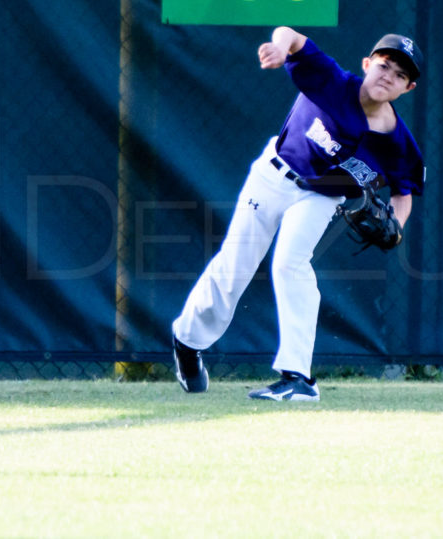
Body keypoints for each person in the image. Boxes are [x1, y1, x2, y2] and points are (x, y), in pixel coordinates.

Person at [171, 27, 425, 401]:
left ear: (408, 88)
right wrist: (278, 46)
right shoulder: (332, 81)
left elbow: (405, 191)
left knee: (290, 263)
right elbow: (291, 35)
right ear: (367, 64)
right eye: (385, 65)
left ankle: (298, 378)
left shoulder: (399, 144)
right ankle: (187, 341)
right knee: (235, 266)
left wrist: (396, 225)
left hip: (322, 197)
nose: (389, 76)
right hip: (274, 175)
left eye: (401, 74)